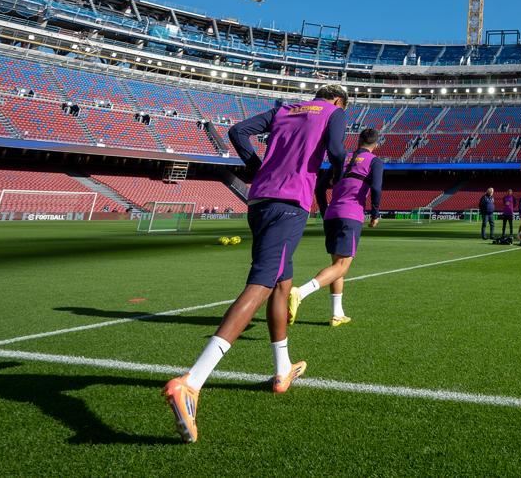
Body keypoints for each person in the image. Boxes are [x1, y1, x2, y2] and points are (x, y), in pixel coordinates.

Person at [164, 85, 348, 443]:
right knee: (262, 284)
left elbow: (237, 131)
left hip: (260, 199)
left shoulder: (285, 109)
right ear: (339, 101)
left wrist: (254, 165)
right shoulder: (334, 113)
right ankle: (192, 381)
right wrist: (337, 176)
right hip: (290, 203)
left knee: (282, 282)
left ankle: (282, 370)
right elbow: (339, 151)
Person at [291, 127, 382, 328]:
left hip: (332, 215)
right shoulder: (374, 161)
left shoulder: (343, 159)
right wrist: (375, 214)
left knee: (336, 266)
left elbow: (320, 187)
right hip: (351, 215)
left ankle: (336, 314)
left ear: (358, 141)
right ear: (375, 145)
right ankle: (300, 292)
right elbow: (375, 188)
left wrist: (324, 210)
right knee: (341, 266)